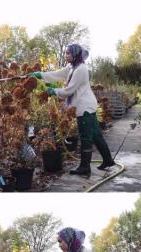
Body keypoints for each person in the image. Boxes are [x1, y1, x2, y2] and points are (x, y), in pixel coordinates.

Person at [28, 44, 115, 176]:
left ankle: (85, 167)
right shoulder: (72, 67)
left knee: (86, 137)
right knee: (96, 135)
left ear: (75, 54)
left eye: (68, 53)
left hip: (84, 107)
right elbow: (58, 74)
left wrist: (53, 91)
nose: (66, 55)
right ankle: (108, 161)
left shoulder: (81, 69)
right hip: (86, 105)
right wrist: (40, 75)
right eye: (66, 53)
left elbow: (69, 90)